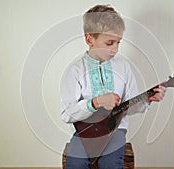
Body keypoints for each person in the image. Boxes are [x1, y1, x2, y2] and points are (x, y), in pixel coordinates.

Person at [60, 4, 166, 169]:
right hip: (85, 134)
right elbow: (67, 114)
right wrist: (95, 102)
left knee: (110, 164)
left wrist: (147, 100)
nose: (115, 49)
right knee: (75, 163)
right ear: (90, 40)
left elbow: (129, 107)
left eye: (118, 42)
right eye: (109, 43)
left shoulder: (123, 67)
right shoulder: (75, 71)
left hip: (115, 132)